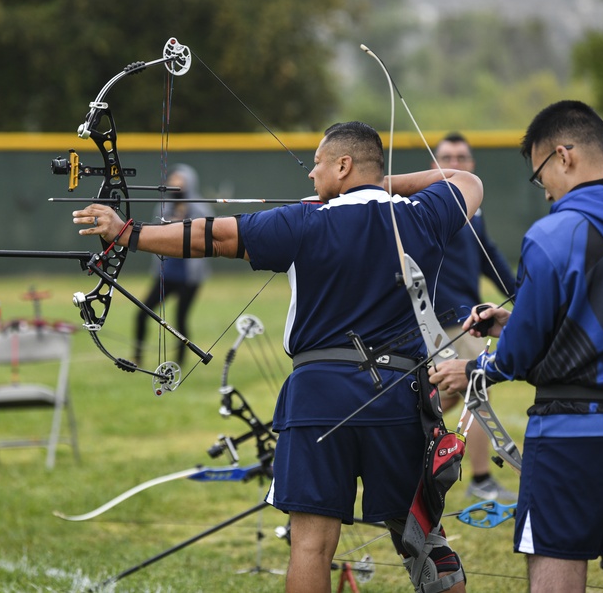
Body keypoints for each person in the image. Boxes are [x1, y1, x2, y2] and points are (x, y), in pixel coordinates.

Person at [74, 121, 482, 593]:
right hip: (397, 397)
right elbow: (467, 182)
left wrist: (127, 232)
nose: (311, 175)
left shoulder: (304, 220)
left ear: (344, 165)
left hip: (318, 397)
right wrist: (378, 186)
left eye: (319, 164)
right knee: (424, 541)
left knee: (310, 546)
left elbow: (213, 238)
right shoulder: (420, 215)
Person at [429, 101, 603, 593]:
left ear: (564, 156)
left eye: (540, 174)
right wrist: (512, 319)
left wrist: (474, 369)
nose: (543, 189)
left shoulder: (551, 232)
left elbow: (519, 355)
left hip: (572, 438)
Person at [430, 132, 517, 502]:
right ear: (433, 165)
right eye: (446, 156)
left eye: (462, 157)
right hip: (447, 319)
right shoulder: (432, 208)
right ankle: (481, 480)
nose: (454, 162)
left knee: (450, 394)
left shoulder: (473, 212)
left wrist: (523, 294)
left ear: (473, 166)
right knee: (473, 391)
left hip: (468, 318)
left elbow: (490, 258)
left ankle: (401, 435)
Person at [133, 164, 212, 369]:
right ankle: (137, 356)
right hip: (166, 274)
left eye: (180, 182)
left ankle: (180, 363)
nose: (175, 185)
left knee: (180, 320)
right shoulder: (163, 208)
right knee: (142, 313)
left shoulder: (200, 209)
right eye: (173, 181)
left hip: (189, 277)